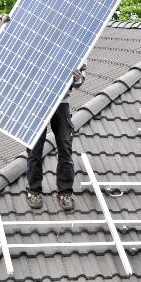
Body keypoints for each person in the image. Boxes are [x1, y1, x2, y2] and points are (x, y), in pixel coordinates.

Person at [25, 65, 85, 211]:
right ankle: (34, 191)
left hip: (61, 101)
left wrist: (77, 79)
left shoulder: (79, 46)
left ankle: (64, 192)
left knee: (65, 145)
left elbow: (80, 80)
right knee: (35, 146)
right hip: (37, 100)